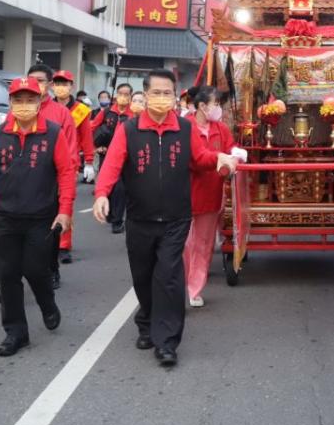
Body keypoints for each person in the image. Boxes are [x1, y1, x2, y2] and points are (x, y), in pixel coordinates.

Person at [93, 70, 238, 366]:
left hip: (176, 218)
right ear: (145, 96)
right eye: (156, 93)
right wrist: (101, 193)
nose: (162, 98)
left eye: (167, 93)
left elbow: (199, 158)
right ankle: (146, 321)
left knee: (169, 278)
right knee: (143, 277)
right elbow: (112, 164)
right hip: (140, 217)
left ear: (175, 97)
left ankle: (167, 341)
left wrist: (218, 158)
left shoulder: (184, 129)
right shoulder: (130, 130)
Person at [0, 77, 76, 357]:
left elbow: (66, 173)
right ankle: (15, 332)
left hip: (40, 218)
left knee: (35, 270)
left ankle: (47, 302)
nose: (23, 105)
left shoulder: (53, 133)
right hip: (5, 217)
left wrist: (65, 210)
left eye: (29, 100)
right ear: (10, 103)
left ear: (40, 102)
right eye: (18, 100)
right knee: (7, 276)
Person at [184, 86, 247, 307]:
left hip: (210, 194)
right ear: (202, 106)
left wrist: (237, 155)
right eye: (216, 104)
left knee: (203, 244)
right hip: (184, 193)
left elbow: (231, 148)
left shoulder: (221, 129)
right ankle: (179, 283)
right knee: (183, 244)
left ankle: (194, 288)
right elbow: (198, 158)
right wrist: (220, 157)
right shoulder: (185, 126)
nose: (219, 108)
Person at [27, 64, 78, 289]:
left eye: (40, 80)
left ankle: (51, 268)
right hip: (22, 180)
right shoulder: (18, 109)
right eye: (31, 79)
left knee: (49, 229)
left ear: (48, 84)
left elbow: (70, 150)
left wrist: (67, 180)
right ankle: (11, 282)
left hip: (51, 180)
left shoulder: (61, 113)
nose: (35, 85)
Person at [52, 70, 97, 263]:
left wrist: (89, 161)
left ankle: (64, 244)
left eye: (65, 83)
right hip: (47, 163)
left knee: (66, 205)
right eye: (58, 83)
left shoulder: (81, 110)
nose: (61, 87)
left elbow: (86, 137)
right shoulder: (46, 106)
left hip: (70, 163)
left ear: (71, 86)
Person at [91, 83, 134, 234]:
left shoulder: (133, 114)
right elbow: (92, 127)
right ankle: (109, 212)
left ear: (130, 96)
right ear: (116, 94)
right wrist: (96, 147)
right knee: (109, 186)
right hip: (106, 154)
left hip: (126, 157)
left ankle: (117, 221)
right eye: (120, 93)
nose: (123, 97)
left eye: (126, 94)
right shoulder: (107, 112)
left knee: (120, 189)